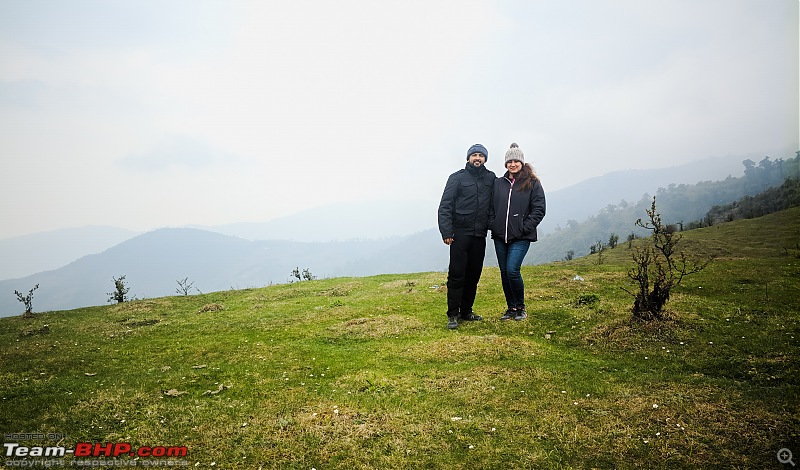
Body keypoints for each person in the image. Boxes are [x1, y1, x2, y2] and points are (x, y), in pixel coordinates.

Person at [438, 144, 496, 329]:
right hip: (460, 235)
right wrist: (446, 231)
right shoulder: (456, 178)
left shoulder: (491, 178)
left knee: (473, 275)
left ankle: (466, 312)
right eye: (474, 155)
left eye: (481, 155)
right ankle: (452, 315)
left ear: (485, 159)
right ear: (468, 158)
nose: (477, 158)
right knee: (456, 275)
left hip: (480, 235)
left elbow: (495, 205)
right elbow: (445, 205)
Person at [490, 143, 546, 321]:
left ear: (522, 162)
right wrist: (493, 223)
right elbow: (490, 208)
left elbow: (539, 209)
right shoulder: (498, 183)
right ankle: (511, 308)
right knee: (505, 272)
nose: (512, 164)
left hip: (521, 236)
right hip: (500, 236)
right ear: (506, 163)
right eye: (509, 161)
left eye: (516, 161)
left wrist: (524, 228)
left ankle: (521, 307)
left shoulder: (532, 183)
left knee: (512, 270)